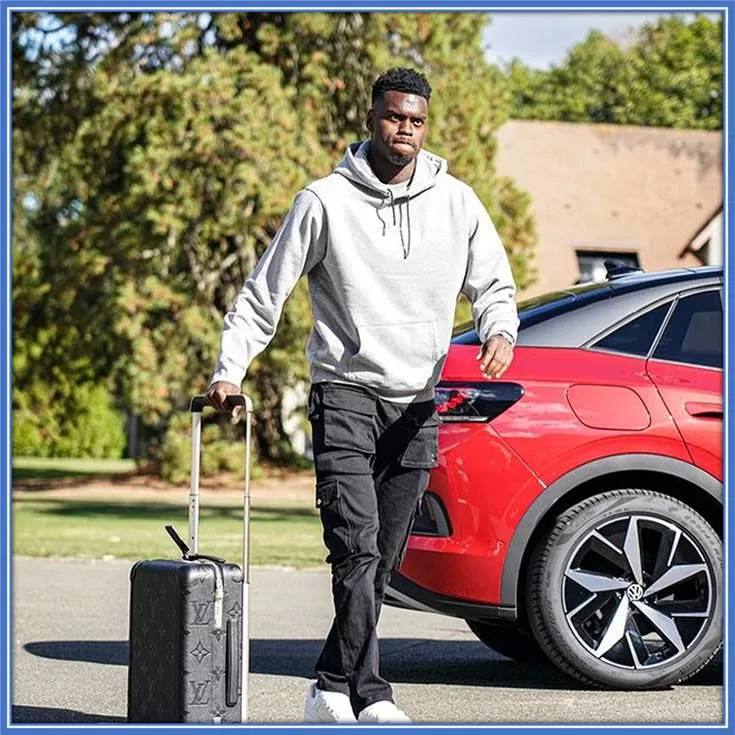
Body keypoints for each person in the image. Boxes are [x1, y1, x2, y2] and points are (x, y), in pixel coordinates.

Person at [207, 67, 518, 723]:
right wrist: (228, 369)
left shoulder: (456, 201)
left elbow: (493, 282)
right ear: (371, 117)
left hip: (415, 402)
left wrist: (498, 328)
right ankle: (368, 691)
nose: (404, 129)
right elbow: (265, 294)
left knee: (385, 556)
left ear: (424, 125)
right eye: (393, 116)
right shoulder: (322, 202)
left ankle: (327, 683)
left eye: (415, 119)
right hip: (344, 392)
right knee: (357, 546)